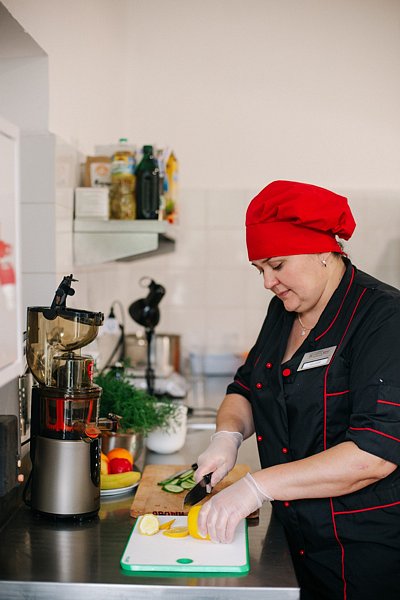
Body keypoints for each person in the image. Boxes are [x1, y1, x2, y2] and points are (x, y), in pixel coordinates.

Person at [194, 180, 400, 600]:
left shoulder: (384, 318)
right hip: (293, 538)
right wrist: (227, 435)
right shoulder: (284, 310)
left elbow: (374, 455)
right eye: (260, 270)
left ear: (323, 252)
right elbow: (247, 386)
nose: (267, 282)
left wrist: (257, 486)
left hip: (363, 552)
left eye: (277, 265)